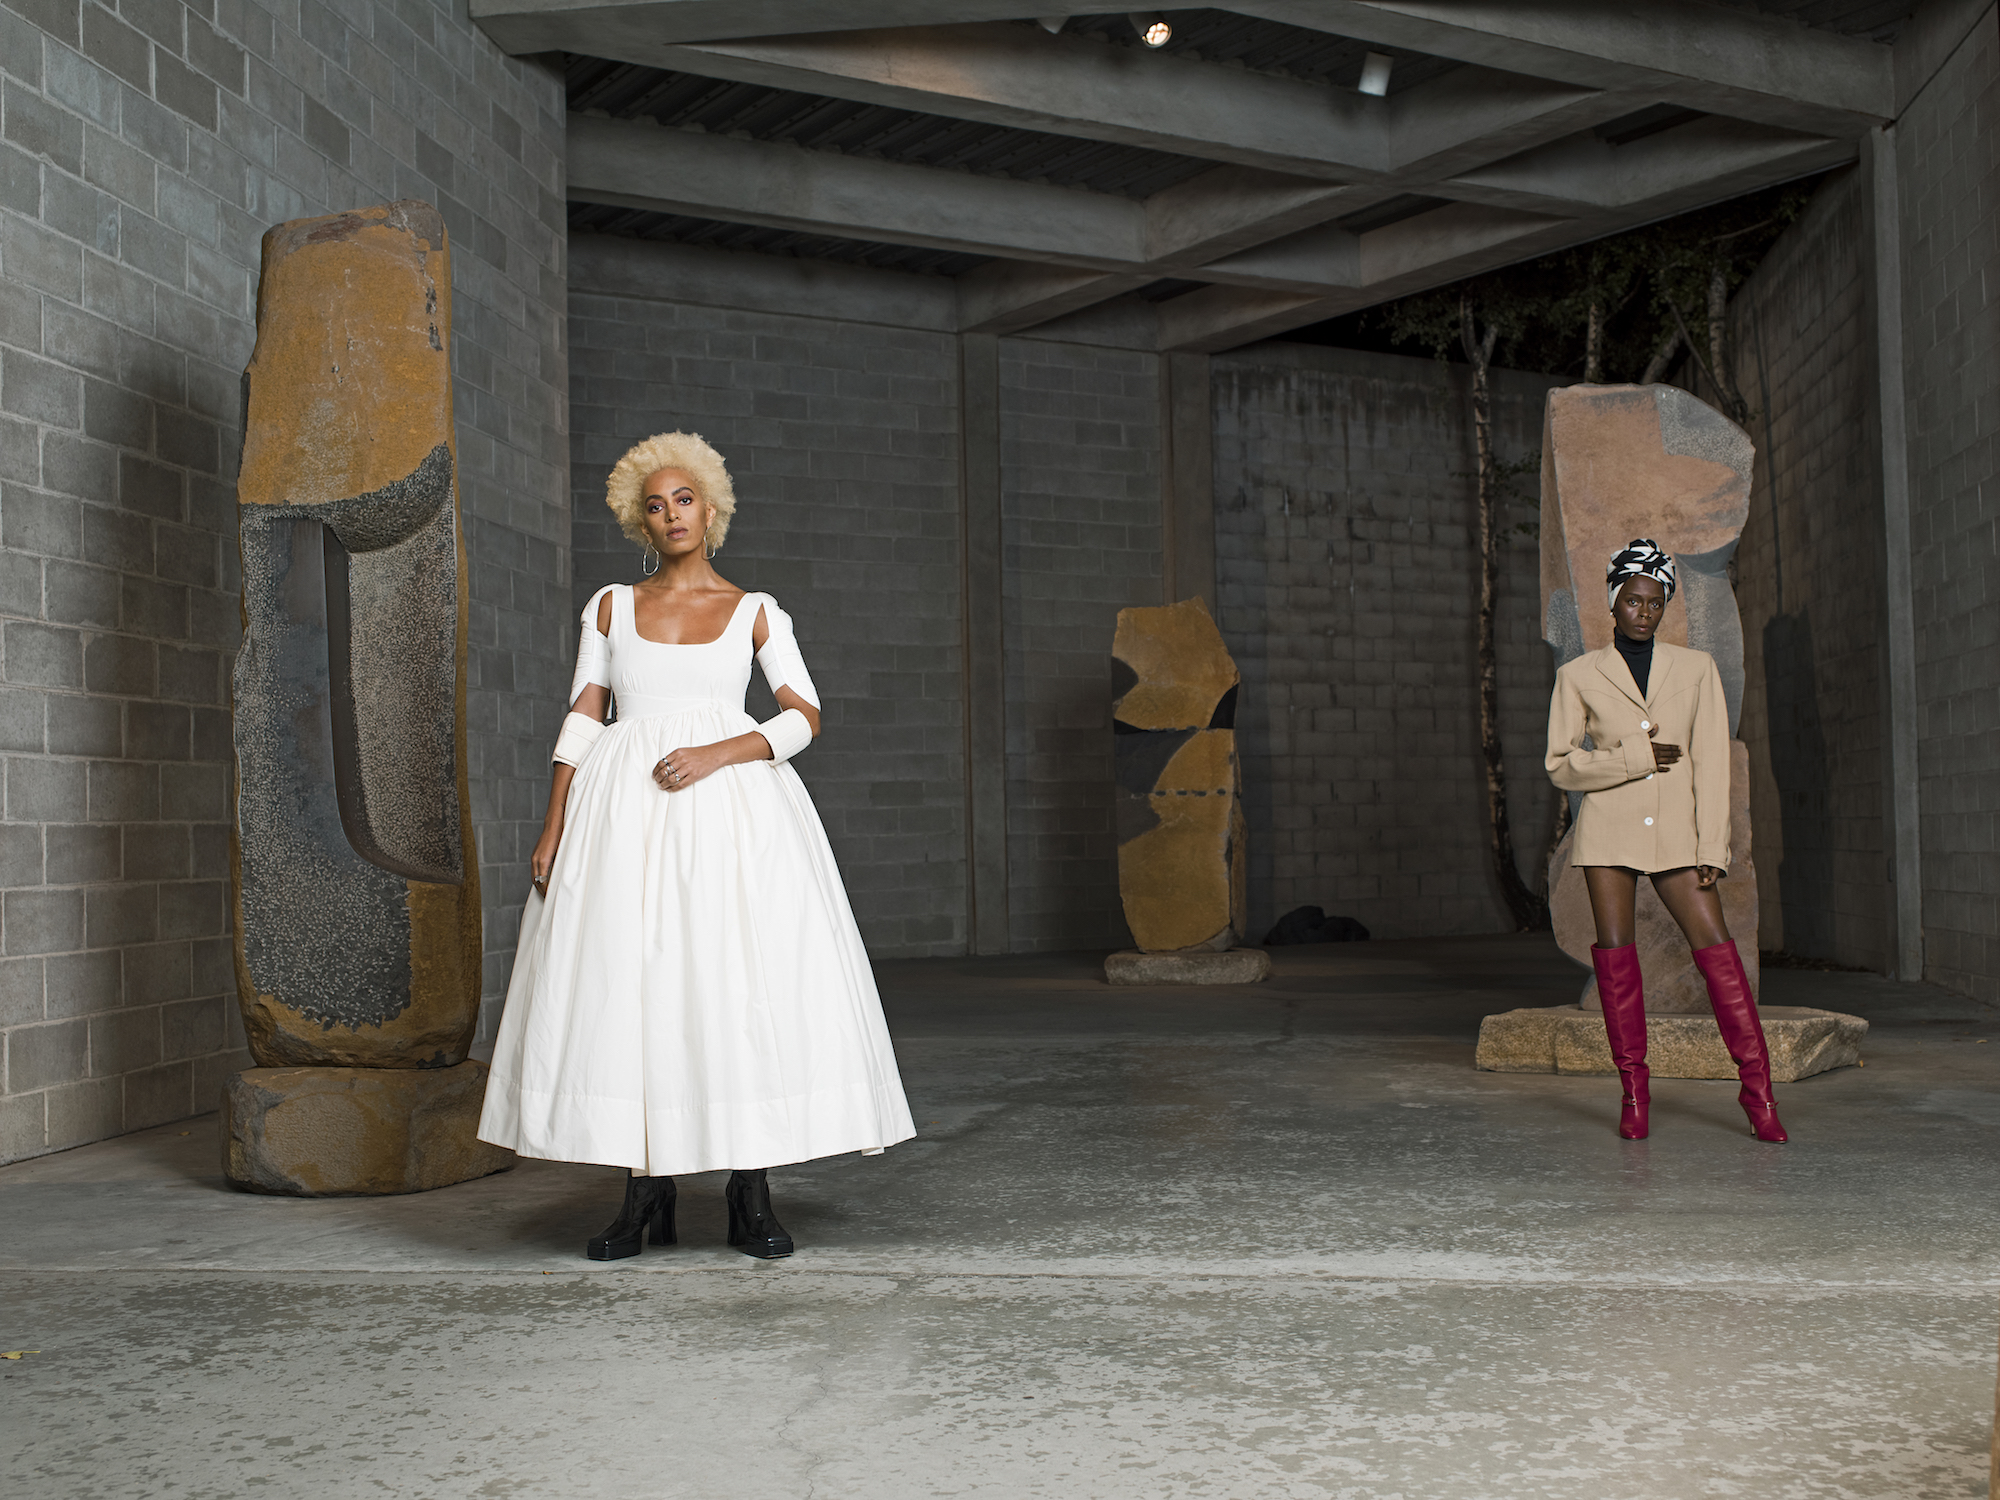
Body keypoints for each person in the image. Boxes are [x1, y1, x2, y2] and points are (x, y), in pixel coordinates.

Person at [478, 432, 916, 1258]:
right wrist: (553, 820)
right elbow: (584, 712)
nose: (670, 513)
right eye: (655, 504)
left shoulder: (756, 611)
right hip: (621, 812)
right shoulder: (610, 605)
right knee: (630, 985)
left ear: (711, 511)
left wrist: (721, 752)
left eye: (684, 499)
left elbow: (803, 714)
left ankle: (751, 1190)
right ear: (638, 521)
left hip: (732, 815)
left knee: (731, 984)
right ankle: (644, 1195)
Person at [1544, 538, 1787, 1145]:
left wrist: (1713, 848)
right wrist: (1633, 758)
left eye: (1655, 602)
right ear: (1614, 602)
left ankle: (1759, 1096)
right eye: (1633, 600)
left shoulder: (1696, 668)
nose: (1644, 612)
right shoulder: (1578, 675)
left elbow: (1710, 763)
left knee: (1720, 958)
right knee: (1618, 963)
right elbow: (1560, 765)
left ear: (1665, 605)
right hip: (1607, 834)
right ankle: (1633, 1095)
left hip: (1680, 836)